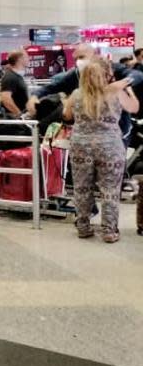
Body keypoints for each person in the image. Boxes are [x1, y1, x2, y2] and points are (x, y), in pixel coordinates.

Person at [63, 59, 137, 243]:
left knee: (81, 188)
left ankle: (83, 227)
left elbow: (67, 115)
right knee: (110, 189)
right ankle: (109, 231)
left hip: (81, 145)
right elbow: (134, 108)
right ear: (106, 74)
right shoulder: (116, 92)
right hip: (110, 146)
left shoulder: (76, 94)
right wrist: (130, 91)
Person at [0, 50, 30, 116]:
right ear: (20, 59)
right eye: (26, 57)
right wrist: (19, 114)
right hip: (13, 118)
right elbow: (6, 99)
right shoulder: (10, 77)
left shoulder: (18, 76)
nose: (28, 59)